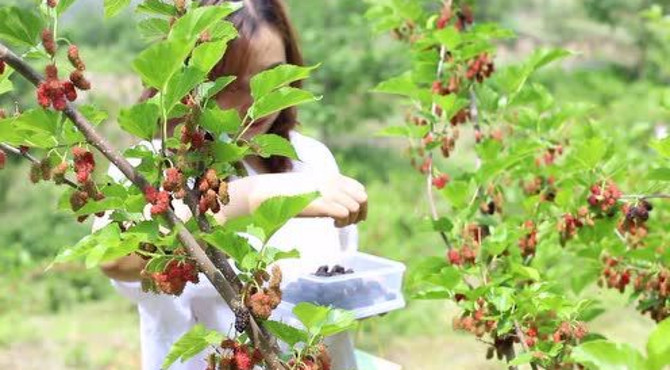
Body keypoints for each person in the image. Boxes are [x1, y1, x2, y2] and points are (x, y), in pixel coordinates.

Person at [95, 0, 368, 369]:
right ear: (191, 83)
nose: (255, 102)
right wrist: (252, 195)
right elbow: (112, 257)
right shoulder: (156, 167)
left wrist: (359, 300)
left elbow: (340, 277)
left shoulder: (311, 159)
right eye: (232, 85)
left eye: (272, 76)